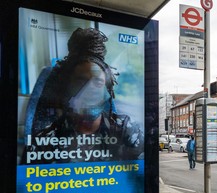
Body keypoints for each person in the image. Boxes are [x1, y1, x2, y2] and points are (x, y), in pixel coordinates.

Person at [21, 27, 144, 164]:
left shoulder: (126, 131)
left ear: (107, 90)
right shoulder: (43, 143)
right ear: (66, 89)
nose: (89, 90)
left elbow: (141, 178)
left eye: (97, 82)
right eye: (81, 82)